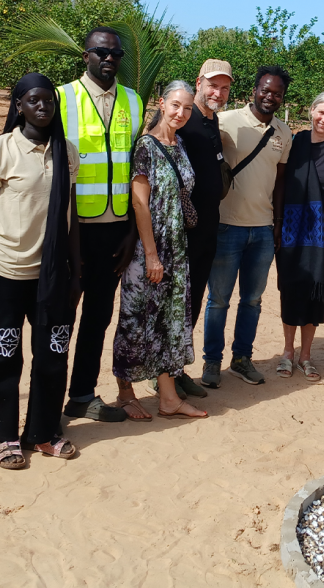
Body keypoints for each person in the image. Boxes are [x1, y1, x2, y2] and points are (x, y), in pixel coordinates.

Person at [0, 73, 80, 469]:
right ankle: (3, 433)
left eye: (48, 100)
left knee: (52, 355)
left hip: (53, 276)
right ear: (19, 106)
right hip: (6, 272)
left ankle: (44, 432)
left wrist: (76, 272)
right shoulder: (0, 150)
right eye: (34, 100)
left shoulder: (67, 151)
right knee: (4, 354)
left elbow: (72, 218)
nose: (43, 106)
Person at [58, 27, 143, 423]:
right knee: (61, 315)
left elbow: (134, 169)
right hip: (71, 231)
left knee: (97, 315)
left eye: (116, 54)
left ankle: (82, 395)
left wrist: (130, 231)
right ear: (86, 55)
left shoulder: (133, 101)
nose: (109, 59)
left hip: (115, 230)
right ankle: (47, 402)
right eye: (101, 52)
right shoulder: (61, 98)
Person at [112, 81, 208, 420]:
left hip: (176, 248)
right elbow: (140, 204)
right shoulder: (146, 147)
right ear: (162, 103)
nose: (181, 113)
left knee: (168, 323)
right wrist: (151, 255)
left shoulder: (179, 143)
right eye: (176, 106)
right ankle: (125, 391)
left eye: (187, 108)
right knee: (135, 320)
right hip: (149, 250)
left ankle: (168, 398)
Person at [202, 65, 293, 389]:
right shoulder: (225, 122)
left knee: (252, 300)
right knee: (219, 300)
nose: (270, 96)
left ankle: (242, 359)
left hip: (263, 231)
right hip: (227, 227)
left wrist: (277, 225)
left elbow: (280, 183)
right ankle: (212, 362)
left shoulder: (284, 134)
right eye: (265, 90)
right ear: (254, 90)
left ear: (283, 97)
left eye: (277, 93)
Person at [276, 91, 324, 382]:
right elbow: (278, 179)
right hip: (292, 227)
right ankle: (288, 351)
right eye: (320, 112)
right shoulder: (295, 141)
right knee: (291, 286)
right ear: (311, 111)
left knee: (316, 288)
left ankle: (306, 355)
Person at [176, 58, 233, 399]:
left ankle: (177, 368)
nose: (218, 92)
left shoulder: (213, 122)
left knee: (194, 299)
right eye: (213, 85)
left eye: (225, 87)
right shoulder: (183, 117)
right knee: (175, 300)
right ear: (199, 82)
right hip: (182, 229)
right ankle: (163, 372)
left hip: (208, 227)